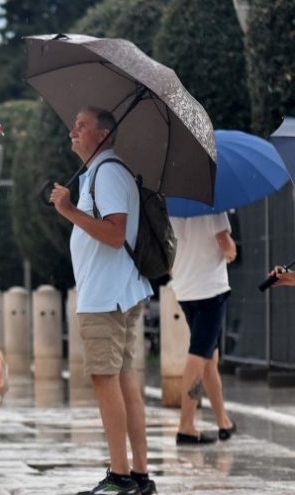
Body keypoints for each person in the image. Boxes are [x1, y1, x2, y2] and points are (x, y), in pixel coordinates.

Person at [49, 107, 156, 495]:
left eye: (82, 126)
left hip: (106, 297)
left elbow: (114, 234)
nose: (73, 131)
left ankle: (121, 476)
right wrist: (73, 210)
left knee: (105, 379)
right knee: (124, 380)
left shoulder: (108, 172)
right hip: (114, 291)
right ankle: (138, 475)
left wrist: (68, 210)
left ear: (104, 134)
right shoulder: (101, 172)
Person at [170, 213, 237, 445]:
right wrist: (232, 252)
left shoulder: (172, 206)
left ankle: (223, 421)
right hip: (210, 290)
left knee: (210, 356)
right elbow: (225, 244)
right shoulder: (213, 205)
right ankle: (186, 427)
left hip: (185, 289)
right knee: (199, 354)